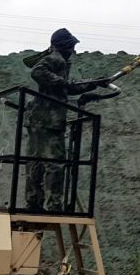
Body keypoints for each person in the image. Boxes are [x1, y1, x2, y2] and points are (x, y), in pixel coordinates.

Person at [24, 28, 103, 212]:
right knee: (55, 163)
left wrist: (94, 83)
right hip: (49, 120)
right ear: (64, 46)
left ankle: (33, 202)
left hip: (38, 119)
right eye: (72, 46)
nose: (73, 51)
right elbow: (37, 72)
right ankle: (54, 205)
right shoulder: (56, 59)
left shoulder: (58, 61)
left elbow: (68, 88)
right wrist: (63, 83)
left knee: (35, 161)